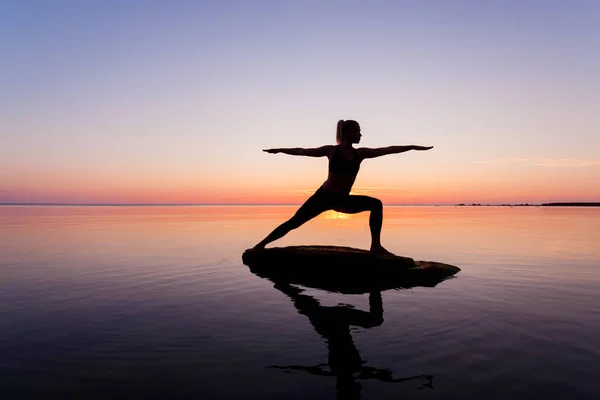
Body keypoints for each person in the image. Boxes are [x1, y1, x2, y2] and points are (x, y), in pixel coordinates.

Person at [251, 119, 433, 254]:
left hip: (342, 201)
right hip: (322, 197)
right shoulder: (331, 151)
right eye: (358, 131)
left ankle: (375, 246)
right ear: (348, 133)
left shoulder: (360, 154)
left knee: (376, 204)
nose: (361, 135)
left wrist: (412, 147)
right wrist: (280, 150)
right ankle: (260, 245)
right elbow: (303, 151)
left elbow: (387, 149)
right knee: (293, 223)